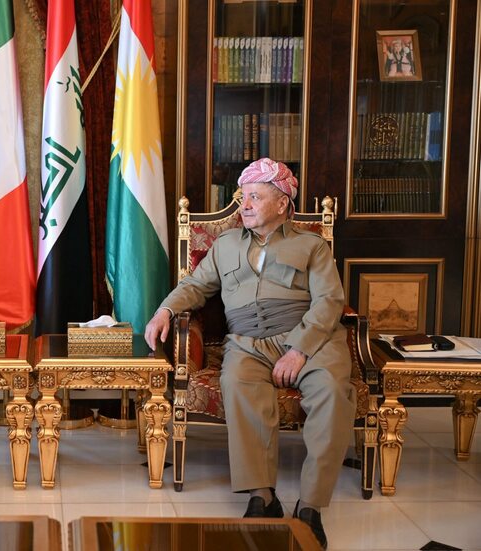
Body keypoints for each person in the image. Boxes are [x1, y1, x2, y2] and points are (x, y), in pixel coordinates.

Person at [144, 158, 355, 549]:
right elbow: (195, 286)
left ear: (282, 203)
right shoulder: (225, 245)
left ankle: (310, 506)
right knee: (237, 383)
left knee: (331, 392)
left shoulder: (311, 246)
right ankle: (263, 496)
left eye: (255, 197)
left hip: (310, 339)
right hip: (247, 342)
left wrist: (298, 350)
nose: (245, 205)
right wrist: (165, 310)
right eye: (244, 197)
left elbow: (329, 301)